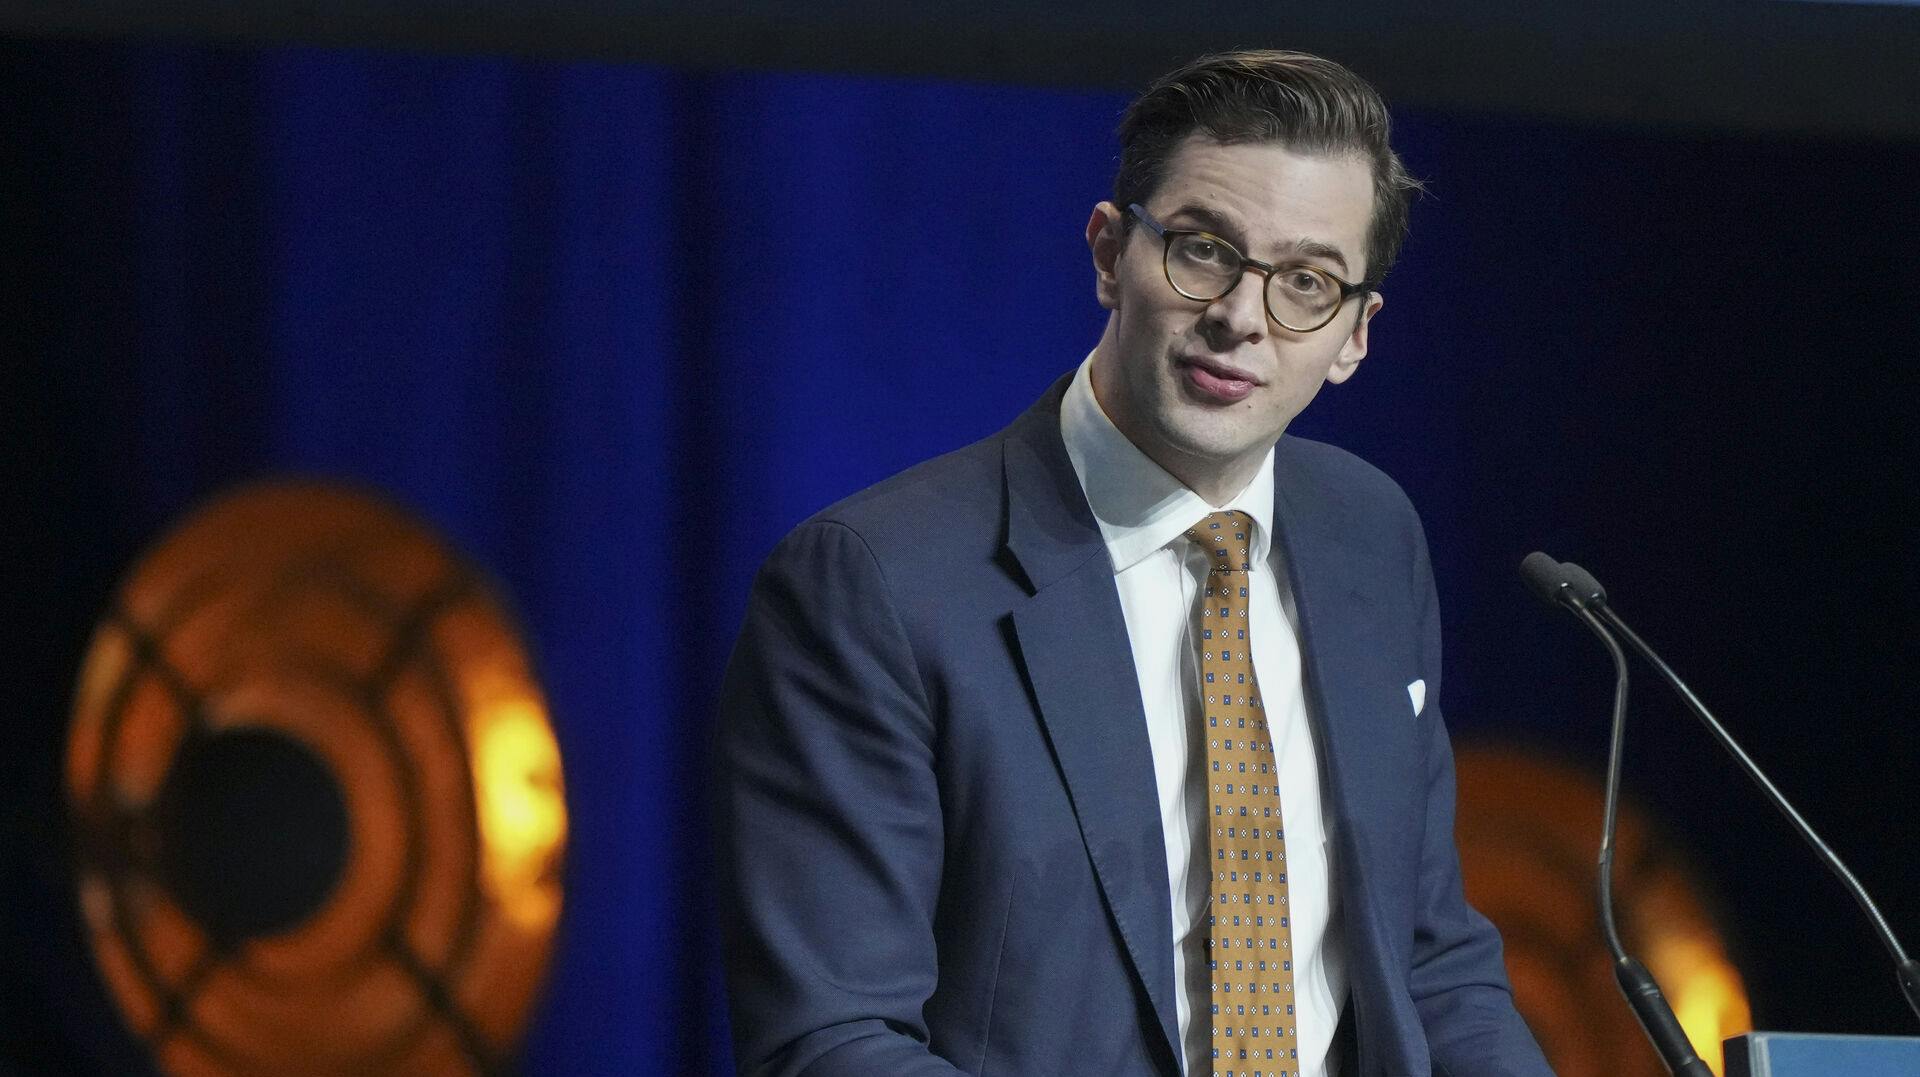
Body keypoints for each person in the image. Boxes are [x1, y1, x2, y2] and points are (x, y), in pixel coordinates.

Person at [716, 50, 1553, 1077]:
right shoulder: (876, 585)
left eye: (1305, 282)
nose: (1241, 317)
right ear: (1111, 253)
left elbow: (1431, 960)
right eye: (1204, 251)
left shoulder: (1369, 534)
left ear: (1353, 335)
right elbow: (833, 1040)